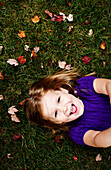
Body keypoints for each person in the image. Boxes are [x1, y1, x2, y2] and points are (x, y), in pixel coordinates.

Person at [24, 68, 111, 148]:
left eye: (59, 100)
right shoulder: (77, 132)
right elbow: (97, 140)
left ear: (62, 90)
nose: (63, 108)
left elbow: (108, 85)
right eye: (56, 113)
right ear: (57, 122)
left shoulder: (85, 87)